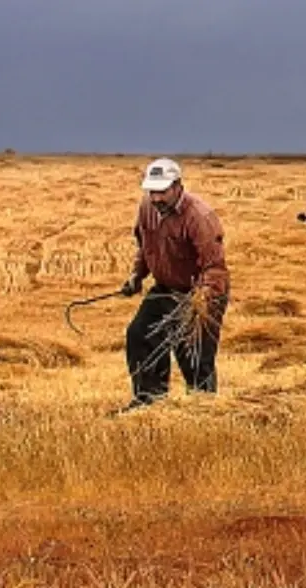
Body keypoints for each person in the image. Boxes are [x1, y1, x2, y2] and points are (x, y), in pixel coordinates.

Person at [115, 157, 231, 413]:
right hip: (165, 287)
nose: (156, 198)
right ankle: (149, 402)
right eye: (152, 191)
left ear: (178, 186)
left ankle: (204, 409)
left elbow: (215, 267)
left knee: (194, 353)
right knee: (140, 335)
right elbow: (146, 247)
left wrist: (199, 301)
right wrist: (137, 276)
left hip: (201, 292)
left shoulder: (200, 217)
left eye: (162, 192)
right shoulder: (147, 208)